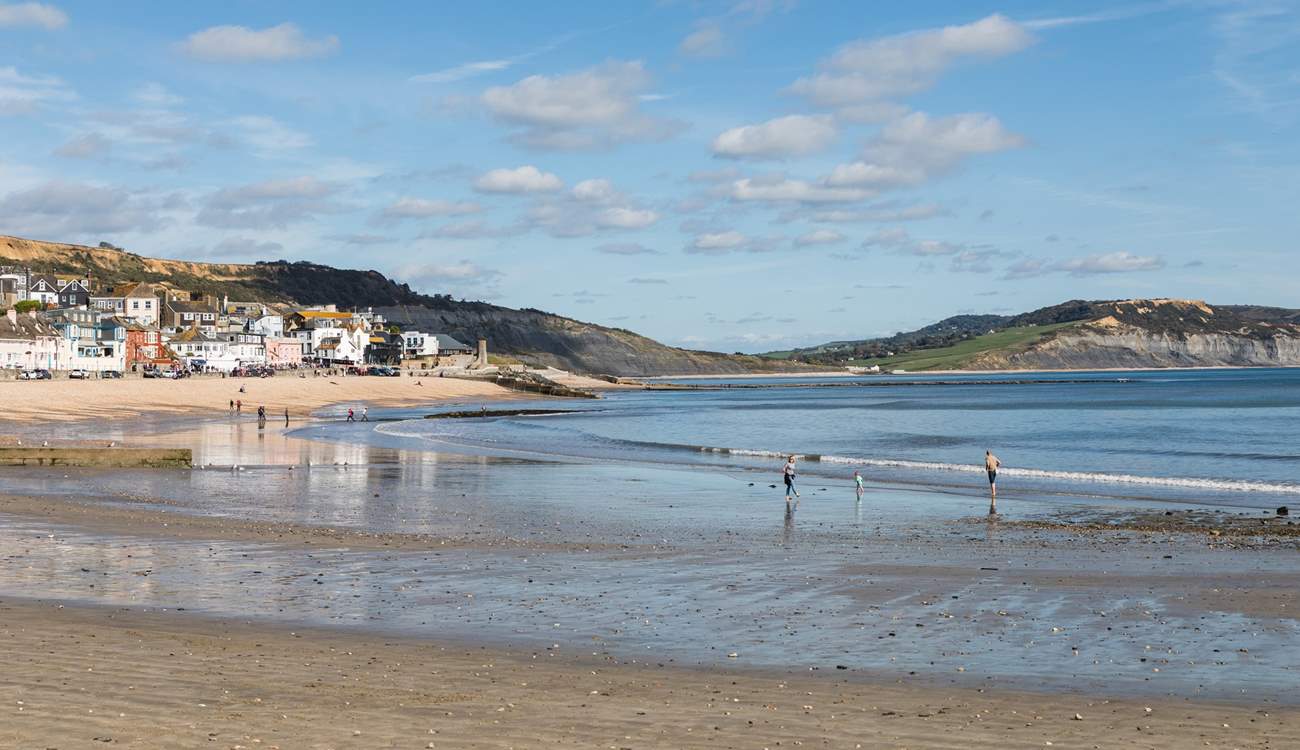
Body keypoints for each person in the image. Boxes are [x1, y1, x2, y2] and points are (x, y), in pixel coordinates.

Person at [985, 450, 1002, 514]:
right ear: (991, 453)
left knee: (991, 482)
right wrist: (997, 466)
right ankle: (994, 492)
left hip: (990, 471)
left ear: (987, 453)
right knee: (993, 482)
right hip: (995, 470)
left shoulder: (987, 458)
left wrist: (986, 468)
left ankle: (993, 493)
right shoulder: (994, 457)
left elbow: (987, 463)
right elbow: (1000, 462)